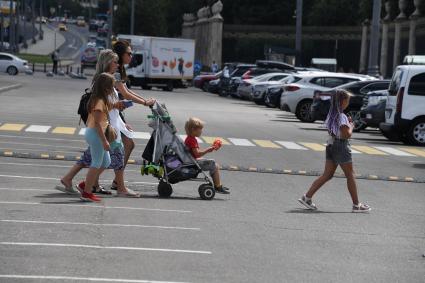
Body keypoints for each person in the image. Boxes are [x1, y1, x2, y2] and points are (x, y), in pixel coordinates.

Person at [56, 49, 151, 197]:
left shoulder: (108, 80)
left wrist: (121, 120)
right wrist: (140, 104)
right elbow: (105, 106)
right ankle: (119, 188)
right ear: (107, 62)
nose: (118, 65)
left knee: (96, 157)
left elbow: (112, 105)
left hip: (110, 126)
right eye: (115, 62)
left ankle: (75, 180)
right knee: (115, 155)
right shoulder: (104, 81)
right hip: (105, 127)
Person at [298, 90, 371, 213]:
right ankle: (356, 205)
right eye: (347, 100)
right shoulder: (341, 116)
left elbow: (333, 131)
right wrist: (351, 126)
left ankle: (307, 197)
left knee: (327, 174)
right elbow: (346, 135)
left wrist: (346, 124)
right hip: (341, 146)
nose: (348, 103)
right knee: (350, 175)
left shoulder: (331, 115)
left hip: (331, 144)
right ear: (342, 101)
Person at [110, 40, 155, 190]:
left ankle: (114, 182)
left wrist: (144, 100)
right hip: (107, 114)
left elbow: (127, 91)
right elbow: (125, 93)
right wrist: (144, 102)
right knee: (111, 150)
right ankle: (116, 183)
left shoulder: (119, 69)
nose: (131, 56)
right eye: (129, 53)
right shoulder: (115, 70)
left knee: (120, 147)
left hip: (114, 114)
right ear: (121, 55)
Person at [77, 72, 115, 202]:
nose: (112, 90)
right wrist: (104, 141)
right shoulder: (99, 101)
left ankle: (85, 184)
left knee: (106, 162)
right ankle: (86, 193)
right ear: (106, 88)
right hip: (96, 134)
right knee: (96, 163)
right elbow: (98, 123)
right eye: (111, 87)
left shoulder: (101, 99)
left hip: (95, 133)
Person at [184, 117, 230, 194]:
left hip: (190, 160)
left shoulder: (189, 138)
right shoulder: (192, 140)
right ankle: (218, 186)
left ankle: (217, 184)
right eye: (200, 129)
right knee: (213, 164)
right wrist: (207, 150)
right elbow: (197, 154)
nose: (201, 131)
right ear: (193, 129)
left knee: (214, 165)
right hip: (192, 163)